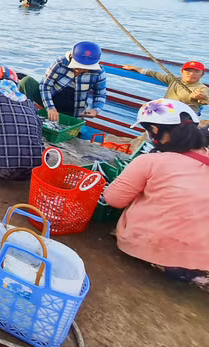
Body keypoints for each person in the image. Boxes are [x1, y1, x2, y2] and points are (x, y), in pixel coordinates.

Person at [104, 99, 209, 291]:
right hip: (202, 261)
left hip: (148, 249)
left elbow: (113, 199)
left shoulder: (149, 161)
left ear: (154, 129)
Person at [19, 41, 106, 121]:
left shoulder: (99, 72)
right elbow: (45, 86)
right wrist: (50, 107)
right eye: (77, 67)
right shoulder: (60, 63)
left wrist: (95, 109)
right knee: (26, 81)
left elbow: (100, 94)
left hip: (74, 108)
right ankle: (23, 113)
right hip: (53, 97)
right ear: (71, 58)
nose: (79, 70)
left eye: (84, 69)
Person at [121, 61, 207, 113]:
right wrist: (136, 68)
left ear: (202, 74)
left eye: (196, 72)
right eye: (188, 71)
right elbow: (154, 74)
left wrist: (202, 97)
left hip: (185, 114)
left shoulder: (202, 88)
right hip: (167, 110)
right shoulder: (174, 79)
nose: (192, 74)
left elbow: (206, 99)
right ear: (182, 72)